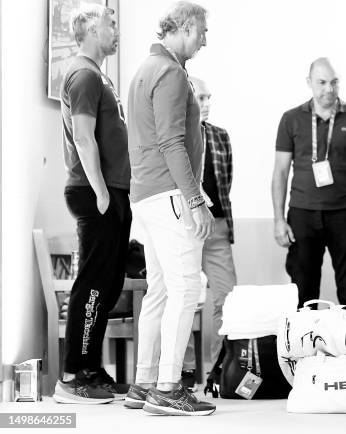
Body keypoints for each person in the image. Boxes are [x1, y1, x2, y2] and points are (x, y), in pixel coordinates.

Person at [124, 2, 216, 416]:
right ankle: (168, 388)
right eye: (201, 32)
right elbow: (171, 142)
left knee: (159, 291)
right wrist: (195, 199)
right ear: (183, 26)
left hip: (145, 196)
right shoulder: (172, 74)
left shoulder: (144, 68)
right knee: (185, 290)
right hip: (169, 196)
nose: (204, 40)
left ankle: (143, 383)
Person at [55, 2, 131, 404]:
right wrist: (102, 192)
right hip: (95, 190)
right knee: (93, 282)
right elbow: (83, 138)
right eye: (109, 22)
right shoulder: (83, 74)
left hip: (112, 189)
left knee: (109, 282)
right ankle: (71, 377)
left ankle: (90, 365)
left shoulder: (99, 76)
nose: (115, 28)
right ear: (86, 29)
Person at [272, 58, 346, 309]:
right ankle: (305, 346)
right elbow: (280, 172)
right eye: (322, 83)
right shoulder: (291, 119)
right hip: (302, 214)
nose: (328, 89)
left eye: (334, 82)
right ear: (309, 83)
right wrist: (279, 219)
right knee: (303, 292)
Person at [181, 77, 237, 389]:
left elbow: (225, 183)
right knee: (186, 297)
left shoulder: (219, 136)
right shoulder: (175, 135)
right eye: (200, 98)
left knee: (227, 299)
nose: (206, 104)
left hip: (216, 226)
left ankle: (220, 367)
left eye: (208, 98)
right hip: (185, 227)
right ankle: (186, 369)